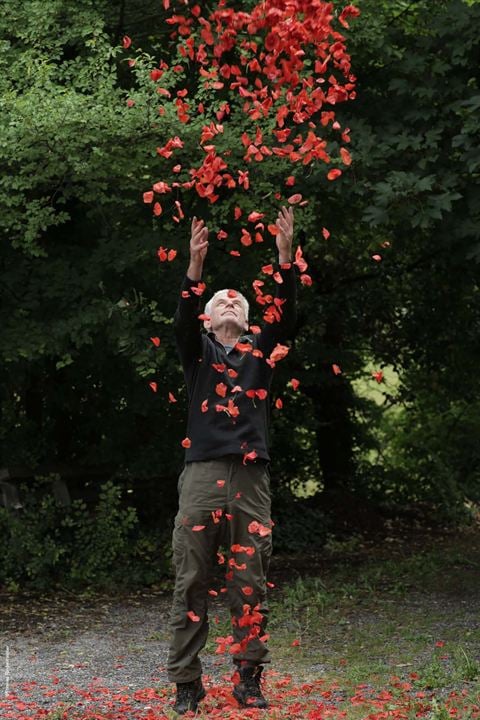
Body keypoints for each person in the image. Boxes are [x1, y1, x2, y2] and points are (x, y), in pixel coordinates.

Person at [168, 207, 296, 714]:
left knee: (250, 580)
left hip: (251, 477)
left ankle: (248, 680)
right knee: (191, 577)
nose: (229, 299)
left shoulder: (261, 355)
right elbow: (180, 321)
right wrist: (195, 267)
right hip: (200, 475)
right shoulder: (197, 352)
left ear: (246, 320)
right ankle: (186, 683)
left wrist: (285, 259)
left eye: (237, 299)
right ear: (209, 315)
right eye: (220, 297)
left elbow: (286, 317)